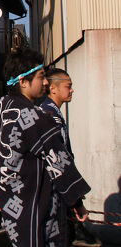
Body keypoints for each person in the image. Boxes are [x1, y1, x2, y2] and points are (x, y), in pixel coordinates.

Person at [0, 49, 90, 246]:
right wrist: (77, 203)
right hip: (35, 198)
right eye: (41, 77)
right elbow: (59, 162)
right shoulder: (34, 117)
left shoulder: (0, 106)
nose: (45, 83)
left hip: (10, 198)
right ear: (23, 82)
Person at [41, 68, 97, 245]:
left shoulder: (51, 112)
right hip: (53, 193)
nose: (72, 90)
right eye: (68, 86)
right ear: (53, 88)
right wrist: (76, 202)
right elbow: (59, 163)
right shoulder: (49, 116)